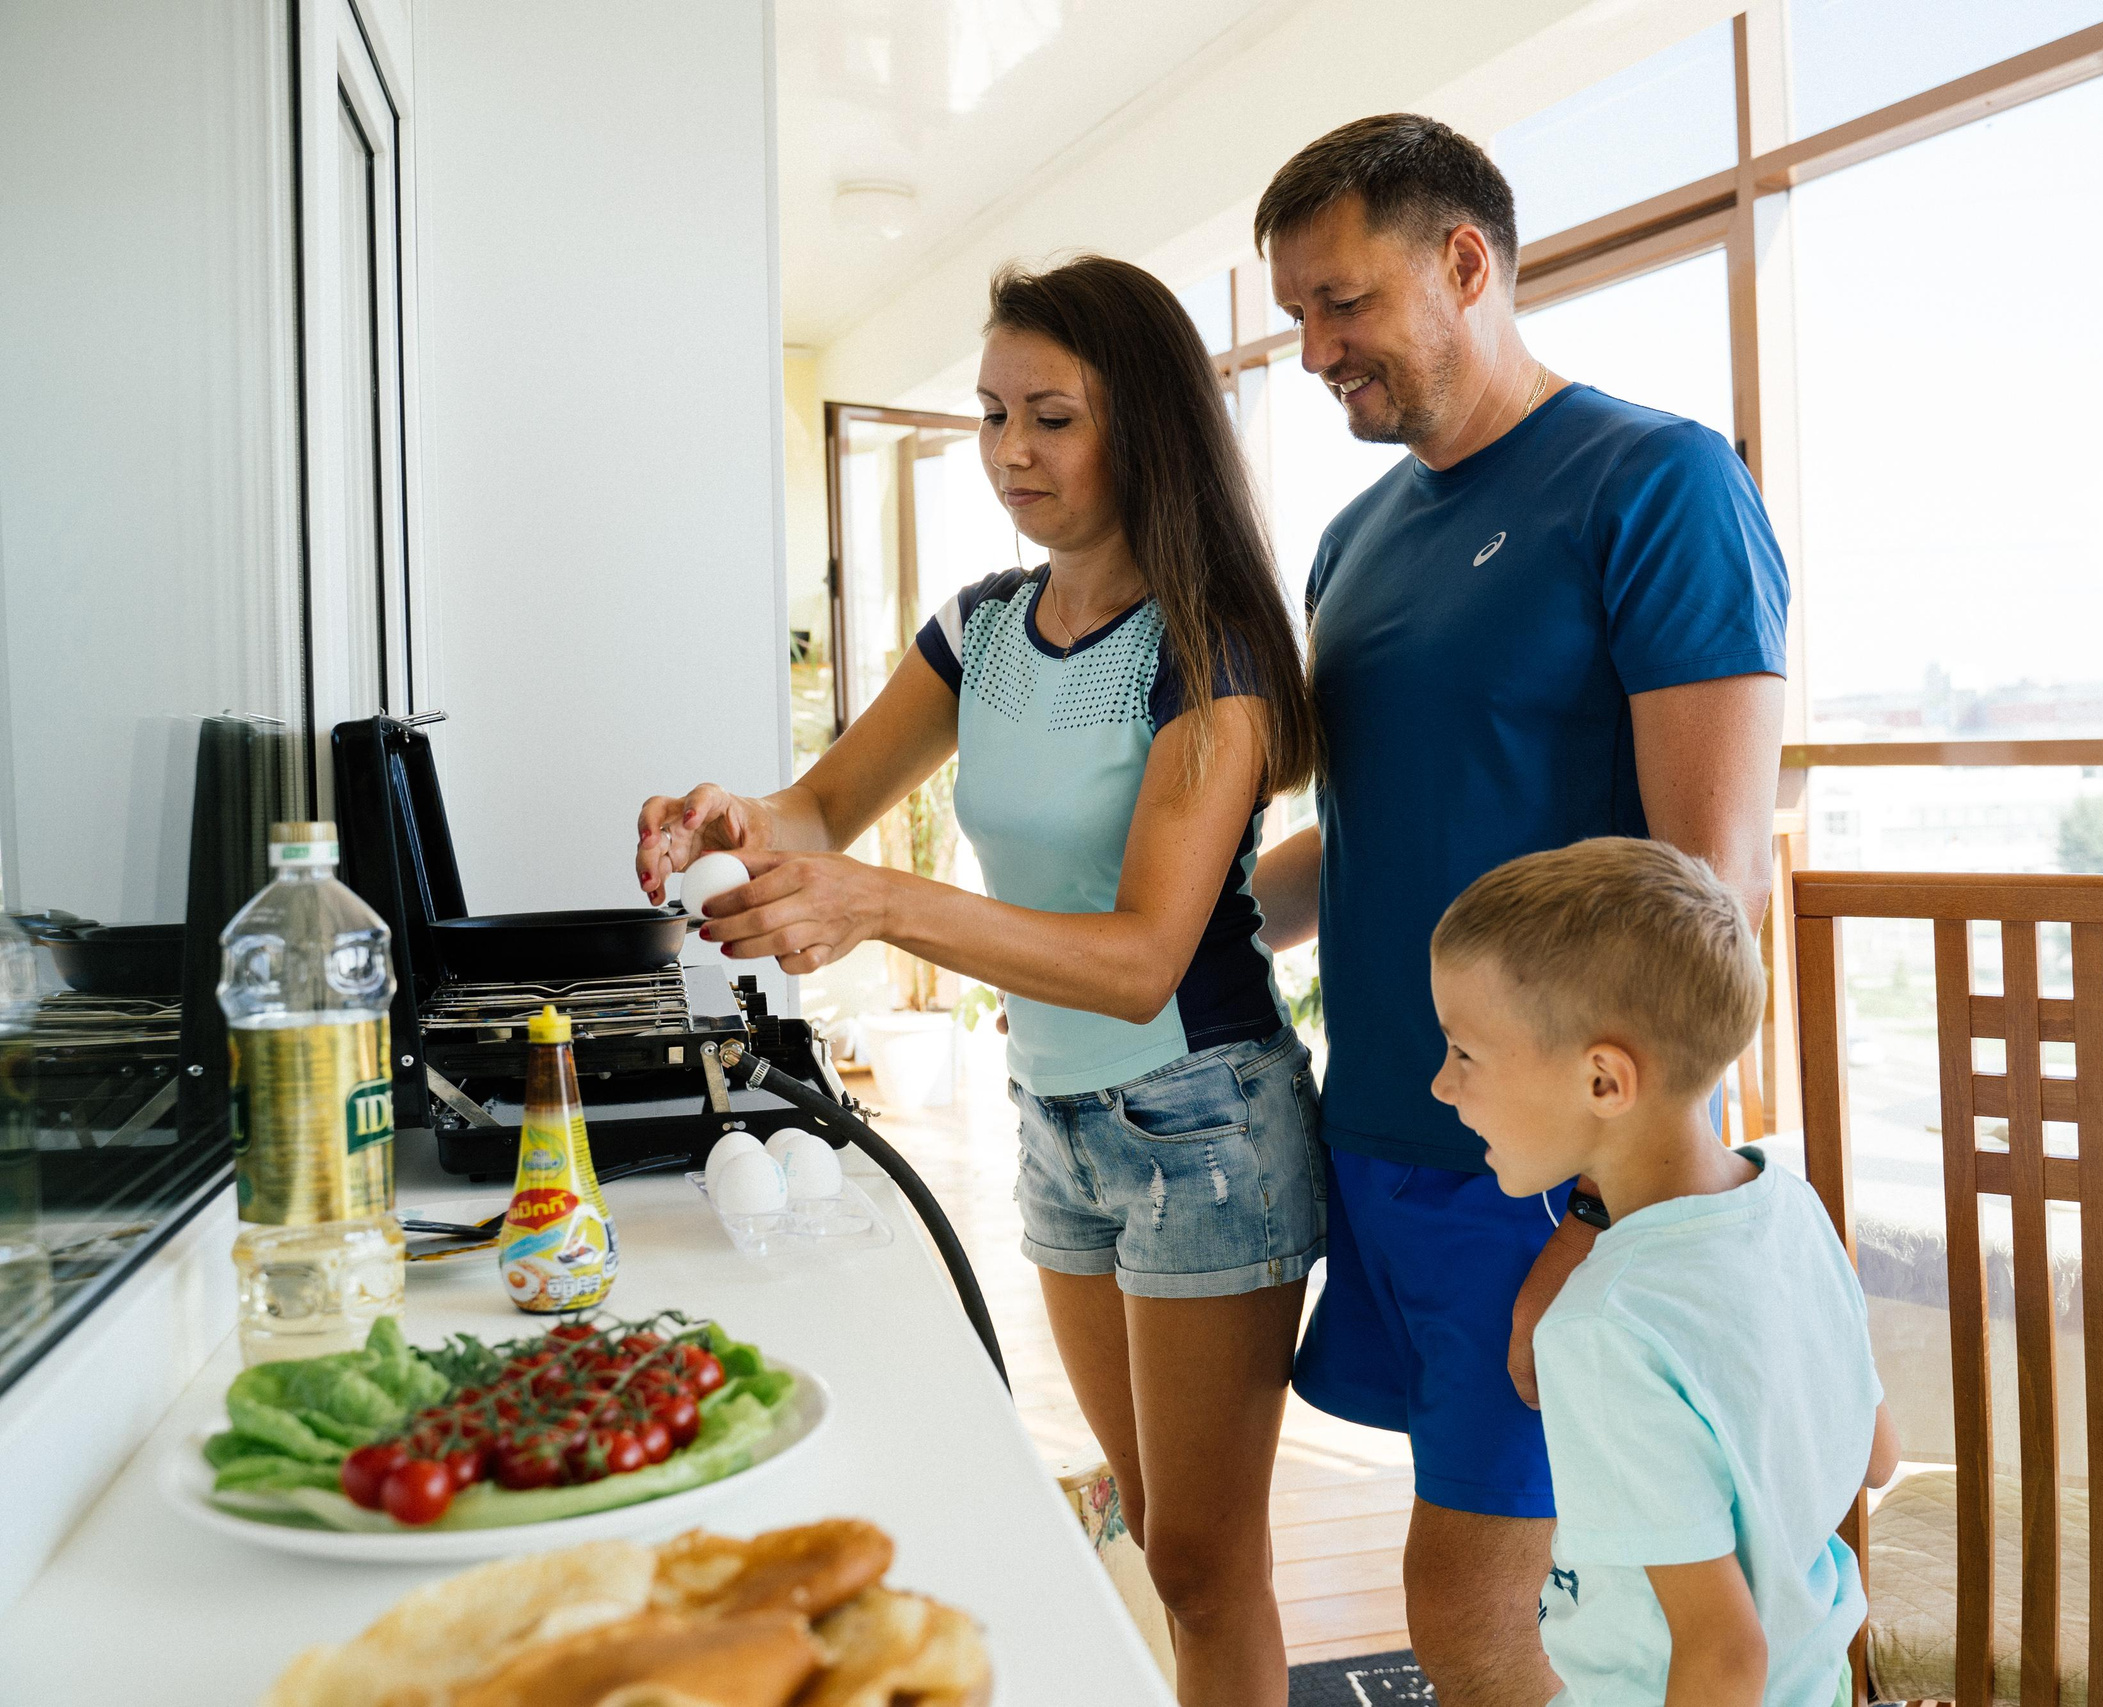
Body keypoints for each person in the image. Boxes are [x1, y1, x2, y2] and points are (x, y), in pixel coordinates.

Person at [633, 256, 1326, 1707]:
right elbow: (821, 804)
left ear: (1145, 425)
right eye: (994, 413)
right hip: (1058, 1117)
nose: (1012, 450)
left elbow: (1143, 958)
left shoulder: (1214, 655)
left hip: (1203, 1125)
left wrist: (882, 902)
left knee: (1208, 1565)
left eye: (1053, 417)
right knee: (1159, 1533)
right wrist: (732, 820)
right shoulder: (984, 627)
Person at [1247, 114, 1790, 1703]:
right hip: (1392, 1136)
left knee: (1482, 1607)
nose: (1313, 349)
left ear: (1465, 261)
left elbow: (1711, 897)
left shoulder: (1655, 483)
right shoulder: (1354, 539)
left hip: (1550, 1162)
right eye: (1295, 315)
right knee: (1485, 1590)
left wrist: (1604, 1210)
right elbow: (1365, 837)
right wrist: (1161, 938)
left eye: (1341, 303)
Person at [1429, 838, 1895, 1707]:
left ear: (1604, 1080)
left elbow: (1723, 1655)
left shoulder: (1601, 1328)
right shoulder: (1789, 1207)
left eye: (1465, 1054)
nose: (1441, 1087)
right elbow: (1877, 1454)